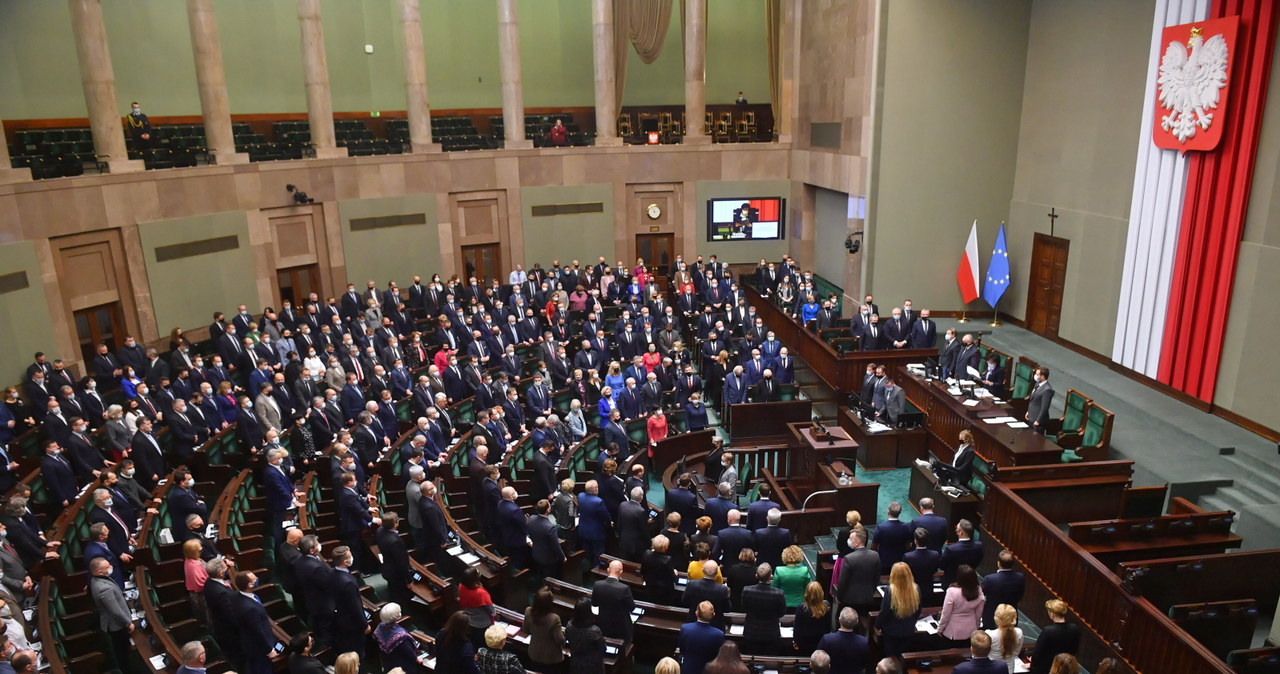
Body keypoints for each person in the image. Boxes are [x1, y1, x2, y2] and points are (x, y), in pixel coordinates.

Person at [89, 557, 135, 673]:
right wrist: (128, 623)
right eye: (107, 567)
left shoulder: (96, 579)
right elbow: (115, 611)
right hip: (116, 626)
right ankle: (126, 670)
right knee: (122, 650)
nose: (110, 568)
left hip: (114, 623)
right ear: (99, 572)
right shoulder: (103, 589)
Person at [876, 562, 922, 660]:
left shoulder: (890, 590)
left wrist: (877, 625)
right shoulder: (916, 588)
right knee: (903, 659)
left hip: (891, 631)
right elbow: (918, 610)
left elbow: (884, 611)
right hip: (908, 630)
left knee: (891, 659)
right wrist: (911, 622)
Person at [741, 563, 786, 654]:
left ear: (756, 576)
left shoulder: (747, 590)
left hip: (751, 632)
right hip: (771, 634)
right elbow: (781, 613)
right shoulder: (778, 593)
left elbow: (743, 608)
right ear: (771, 576)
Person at [938, 565, 986, 647]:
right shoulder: (978, 590)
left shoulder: (951, 591)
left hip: (952, 631)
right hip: (970, 630)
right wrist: (976, 627)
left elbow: (946, 614)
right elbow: (978, 614)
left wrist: (940, 629)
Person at [836, 530, 880, 617]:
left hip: (849, 599)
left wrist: (839, 597)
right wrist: (871, 592)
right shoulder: (875, 555)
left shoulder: (849, 558)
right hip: (867, 597)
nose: (849, 540)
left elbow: (843, 581)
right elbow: (876, 578)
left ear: (857, 542)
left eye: (851, 538)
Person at [1029, 599, 1080, 674]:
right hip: (1067, 667)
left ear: (1052, 614)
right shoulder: (1074, 628)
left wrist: (1032, 664)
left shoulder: (1048, 631)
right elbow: (1075, 650)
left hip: (1047, 668)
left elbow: (1038, 653)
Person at [522, 586, 566, 673]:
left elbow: (525, 630)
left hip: (534, 654)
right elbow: (560, 641)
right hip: (551, 658)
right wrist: (563, 633)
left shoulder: (528, 611)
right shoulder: (554, 618)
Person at [816, 607, 870, 674]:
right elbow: (866, 663)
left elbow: (818, 660)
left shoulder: (827, 639)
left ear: (839, 620)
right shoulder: (864, 642)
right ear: (857, 622)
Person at [593, 560, 636, 642]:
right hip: (621, 628)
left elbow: (594, 604)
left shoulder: (597, 585)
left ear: (608, 570)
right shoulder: (624, 588)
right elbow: (632, 608)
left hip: (603, 624)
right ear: (621, 572)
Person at [981, 550, 1026, 629]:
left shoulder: (990, 579)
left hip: (992, 615)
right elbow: (1020, 595)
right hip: (1011, 615)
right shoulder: (1020, 577)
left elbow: (981, 596)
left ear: (999, 563)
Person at [679, 601, 726, 674]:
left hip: (688, 669)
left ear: (696, 613)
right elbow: (718, 656)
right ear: (713, 615)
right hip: (709, 671)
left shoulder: (685, 628)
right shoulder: (719, 634)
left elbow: (682, 650)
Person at [938, 519, 984, 588]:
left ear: (961, 533)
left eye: (957, 529)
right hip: (970, 581)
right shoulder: (979, 546)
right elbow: (978, 560)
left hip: (952, 582)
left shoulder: (951, 549)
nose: (956, 530)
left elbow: (941, 565)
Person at [566, 598, 606, 674]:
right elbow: (603, 648)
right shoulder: (594, 631)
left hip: (575, 664)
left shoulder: (569, 626)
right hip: (593, 667)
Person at [373, 603, 418, 672]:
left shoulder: (379, 627)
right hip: (401, 666)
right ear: (398, 616)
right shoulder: (401, 636)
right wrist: (416, 659)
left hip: (387, 663)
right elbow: (408, 652)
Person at [872, 501, 913, 573]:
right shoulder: (906, 527)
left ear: (888, 511)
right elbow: (908, 545)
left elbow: (874, 546)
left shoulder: (881, 527)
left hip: (884, 560)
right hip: (901, 561)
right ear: (900, 513)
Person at [793, 581, 831, 654]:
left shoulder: (801, 608)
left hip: (805, 642)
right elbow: (828, 627)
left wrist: (796, 641)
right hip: (821, 642)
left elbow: (797, 627)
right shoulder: (826, 606)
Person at [985, 604, 1024, 673]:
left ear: (996, 618)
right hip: (1009, 669)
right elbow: (1016, 653)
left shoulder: (989, 634)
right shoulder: (1019, 632)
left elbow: (984, 653)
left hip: (992, 669)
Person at [773, 544, 813, 609]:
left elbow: (774, 588)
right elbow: (807, 589)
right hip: (800, 605)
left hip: (782, 604)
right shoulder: (804, 570)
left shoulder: (779, 570)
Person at [642, 534, 679, 604]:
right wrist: (675, 573)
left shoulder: (646, 554)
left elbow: (643, 571)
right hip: (664, 591)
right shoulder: (667, 560)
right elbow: (672, 577)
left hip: (650, 586)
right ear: (664, 548)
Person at [182, 538, 209, 623]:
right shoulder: (195, 566)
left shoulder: (190, 560)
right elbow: (200, 585)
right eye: (199, 549)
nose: (202, 549)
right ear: (194, 552)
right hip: (200, 595)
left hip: (199, 593)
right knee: (205, 616)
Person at [1025, 367, 1054, 434]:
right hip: (1031, 417)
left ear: (1042, 376)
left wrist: (1038, 421)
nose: (1035, 376)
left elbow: (1045, 408)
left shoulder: (1047, 390)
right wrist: (1028, 412)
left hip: (1037, 421)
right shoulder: (1037, 384)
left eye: (1037, 374)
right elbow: (1033, 400)